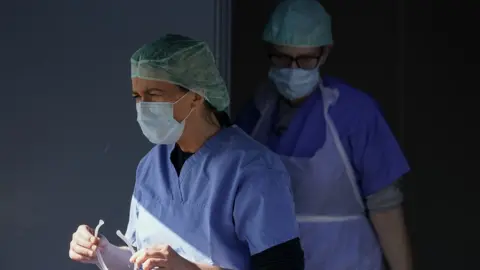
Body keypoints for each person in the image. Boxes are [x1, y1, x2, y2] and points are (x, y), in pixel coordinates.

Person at [68, 34, 305, 270]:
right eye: (137, 97)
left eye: (154, 95)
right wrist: (102, 251)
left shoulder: (253, 168)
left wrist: (189, 268)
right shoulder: (152, 165)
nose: (143, 106)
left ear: (195, 95)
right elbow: (143, 256)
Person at [235, 0, 412, 269]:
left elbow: (385, 208)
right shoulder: (258, 111)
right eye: (282, 58)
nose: (292, 69)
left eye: (305, 59)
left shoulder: (354, 113)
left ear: (325, 53)